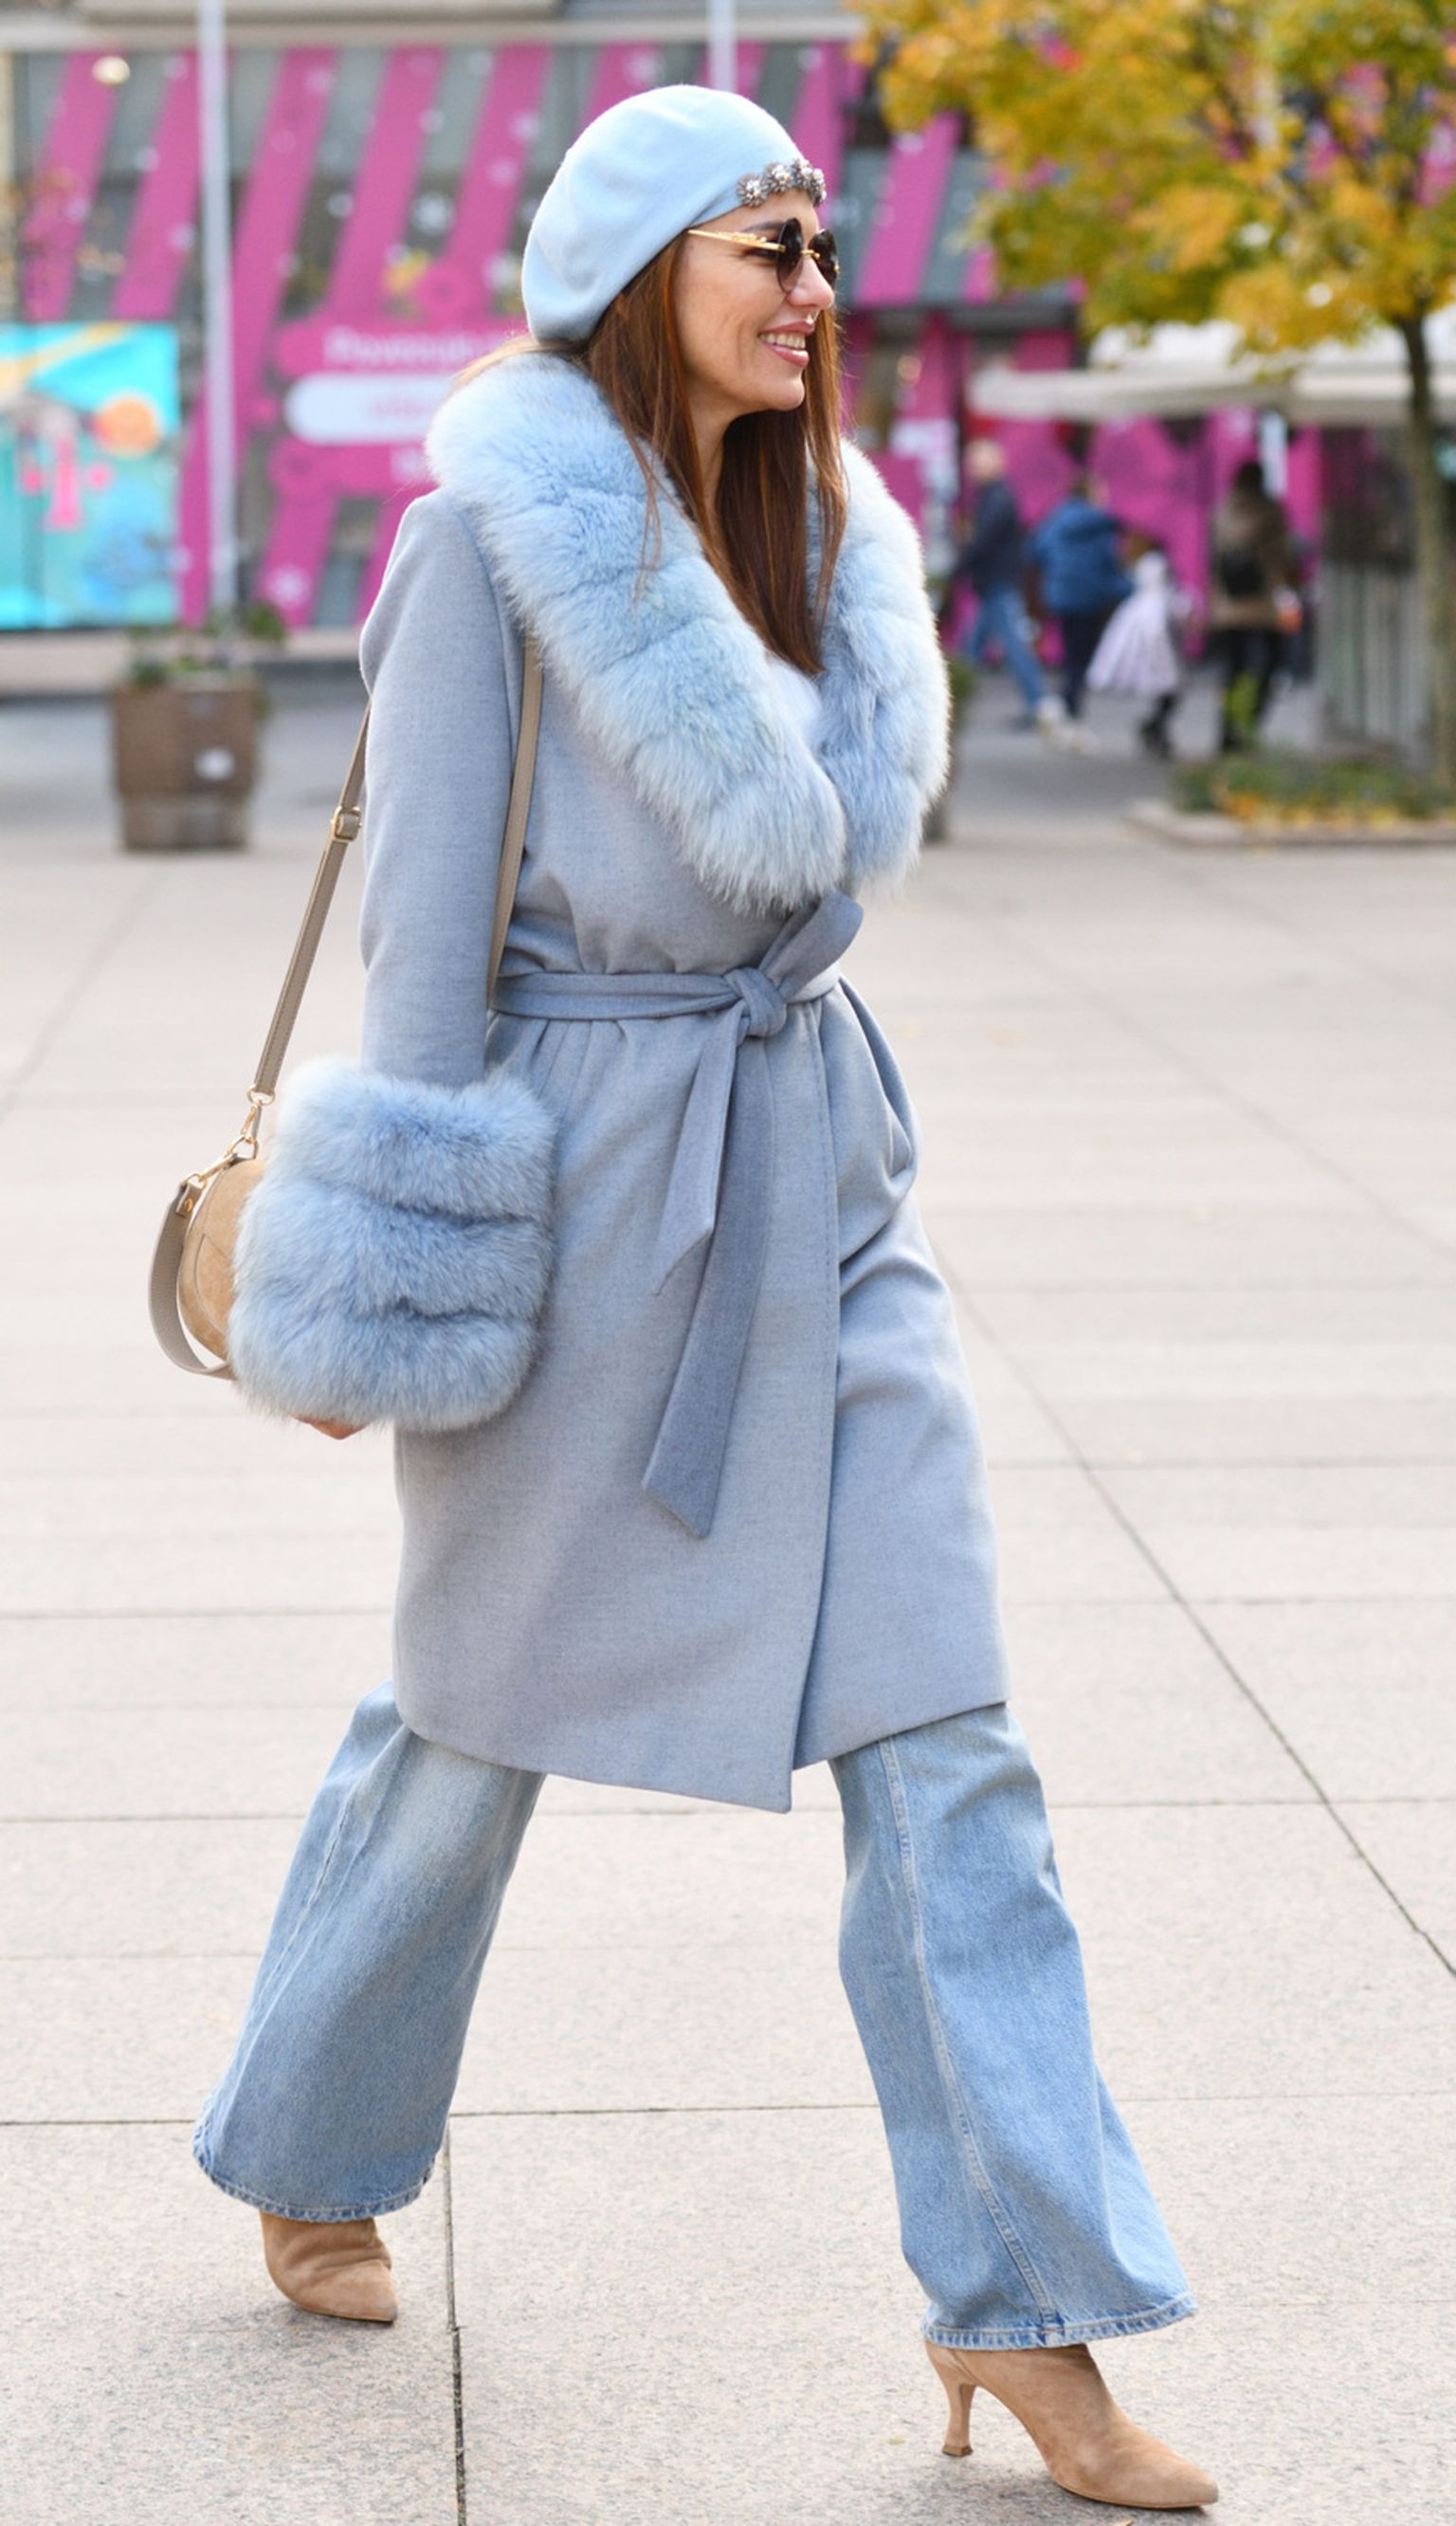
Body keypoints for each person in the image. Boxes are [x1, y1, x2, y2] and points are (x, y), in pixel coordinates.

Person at [191, 85, 1217, 2516]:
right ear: (641, 266)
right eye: (771, 249)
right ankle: (309, 2140)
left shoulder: (823, 530)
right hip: (580, 1194)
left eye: (821, 251)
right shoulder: (484, 542)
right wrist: (387, 1299)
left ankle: (1025, 2302)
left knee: (950, 1742)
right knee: (465, 1725)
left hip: (814, 1183)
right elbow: (421, 942)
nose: (813, 295)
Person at [949, 438, 1059, 731]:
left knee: (1010, 645)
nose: (971, 468)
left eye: (977, 462)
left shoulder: (997, 498)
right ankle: (950, 705)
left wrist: (960, 566)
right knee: (973, 648)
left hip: (998, 583)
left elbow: (982, 540)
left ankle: (1040, 704)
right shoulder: (992, 496)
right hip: (994, 583)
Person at [1208, 458, 1301, 751]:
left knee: (1233, 669)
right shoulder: (1270, 512)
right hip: (1263, 602)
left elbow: (1213, 560)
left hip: (1229, 605)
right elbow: (1285, 555)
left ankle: (1228, 728)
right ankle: (1249, 723)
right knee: (1272, 662)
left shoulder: (1221, 511)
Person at [1029, 475, 1132, 734]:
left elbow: (1036, 549)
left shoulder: (1056, 518)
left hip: (1061, 595)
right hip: (1089, 597)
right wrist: (1129, 588)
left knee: (1071, 652)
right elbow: (1109, 565)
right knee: (1082, 655)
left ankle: (1066, 703)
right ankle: (1069, 705)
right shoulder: (1102, 525)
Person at [1087, 536, 1195, 758]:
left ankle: (1155, 728)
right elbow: (1170, 600)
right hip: (1157, 633)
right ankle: (1156, 728)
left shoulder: (1138, 571)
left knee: (1165, 685)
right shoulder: (1159, 568)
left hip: (1145, 627)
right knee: (1169, 685)